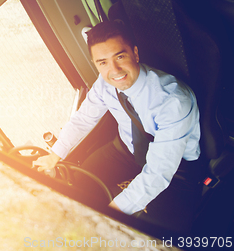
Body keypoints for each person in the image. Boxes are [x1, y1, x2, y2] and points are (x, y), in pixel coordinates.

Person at [32, 21, 203, 233]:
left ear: (136, 54)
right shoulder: (105, 83)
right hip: (126, 150)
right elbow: (83, 118)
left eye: (120, 57)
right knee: (78, 184)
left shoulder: (173, 100)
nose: (114, 71)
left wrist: (109, 214)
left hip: (178, 170)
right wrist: (54, 155)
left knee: (150, 236)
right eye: (102, 63)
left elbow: (158, 173)